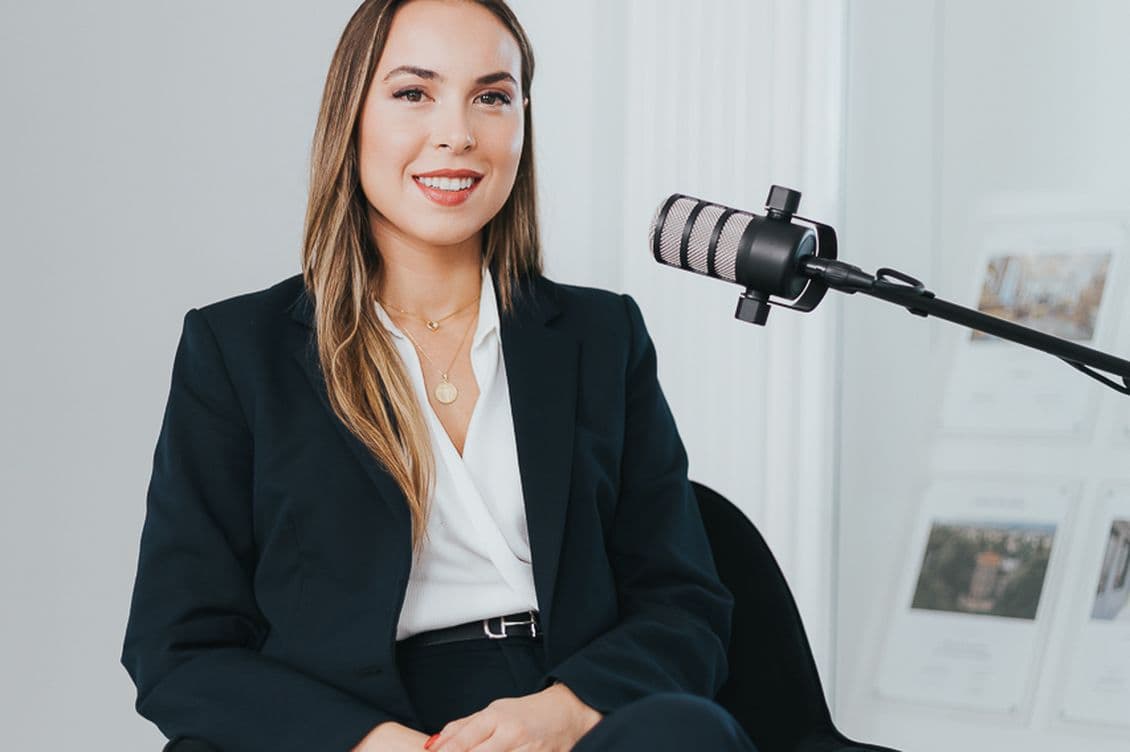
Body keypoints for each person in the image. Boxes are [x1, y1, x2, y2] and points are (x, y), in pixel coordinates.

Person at [121, 1, 757, 750]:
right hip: (349, 720)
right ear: (351, 115)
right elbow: (179, 648)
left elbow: (684, 604)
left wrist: (563, 712)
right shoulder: (236, 349)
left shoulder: (601, 335)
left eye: (492, 96)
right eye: (414, 92)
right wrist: (369, 743)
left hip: (570, 710)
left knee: (685, 734)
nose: (458, 132)